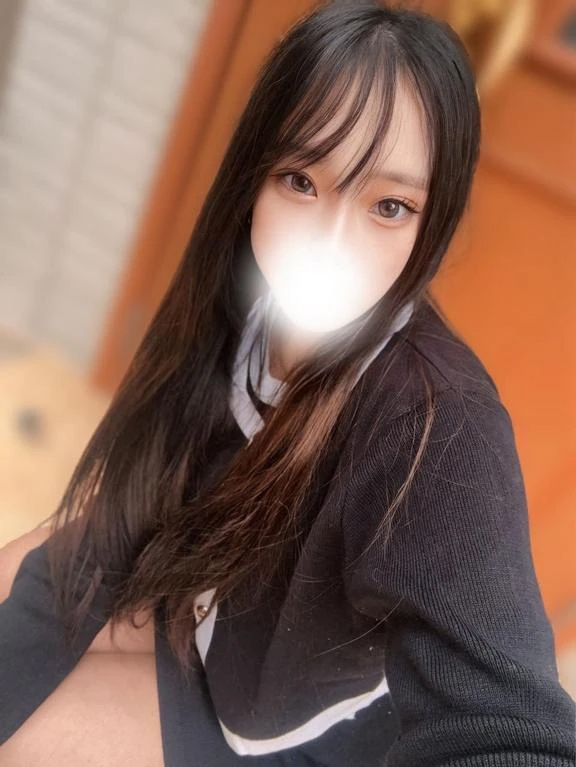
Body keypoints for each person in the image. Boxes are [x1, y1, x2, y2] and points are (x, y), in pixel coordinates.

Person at [1, 1, 575, 765]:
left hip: (285, 719)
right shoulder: (238, 295)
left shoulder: (436, 424)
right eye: (301, 180)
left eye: (390, 206)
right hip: (199, 602)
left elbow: (511, 726)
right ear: (253, 178)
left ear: (431, 224)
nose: (330, 243)